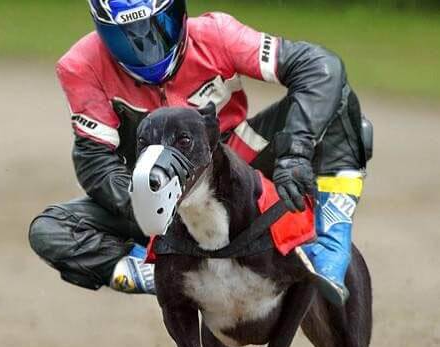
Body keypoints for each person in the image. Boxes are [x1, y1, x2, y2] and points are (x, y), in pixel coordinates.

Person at [29, 0, 372, 306]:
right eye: (126, 37)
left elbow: (318, 67)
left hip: (236, 167)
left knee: (337, 98)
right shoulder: (80, 66)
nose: (145, 46)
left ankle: (330, 244)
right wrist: (144, 210)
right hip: (156, 195)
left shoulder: (217, 34)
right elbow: (96, 161)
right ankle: (152, 273)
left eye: (156, 28)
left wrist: (296, 153)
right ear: (102, 33)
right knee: (51, 230)